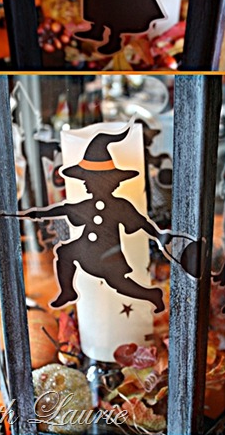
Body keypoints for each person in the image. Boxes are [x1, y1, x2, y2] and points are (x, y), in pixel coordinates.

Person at [16, 130, 171, 312]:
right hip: (86, 249)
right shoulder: (86, 205)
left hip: (108, 256)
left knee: (120, 285)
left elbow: (141, 222)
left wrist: (158, 235)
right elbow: (63, 210)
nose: (85, 184)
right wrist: (37, 214)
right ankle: (68, 291)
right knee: (65, 252)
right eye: (85, 180)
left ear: (109, 182)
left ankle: (152, 295)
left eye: (89, 180)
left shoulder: (120, 205)